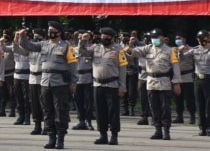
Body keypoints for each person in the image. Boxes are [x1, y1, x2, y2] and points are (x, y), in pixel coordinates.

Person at [18, 21, 78, 150]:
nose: (50, 32)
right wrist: (22, 36)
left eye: (53, 30)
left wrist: (73, 83)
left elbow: (73, 66)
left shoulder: (66, 47)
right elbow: (28, 46)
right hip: (45, 82)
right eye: (49, 29)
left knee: (60, 111)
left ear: (59, 32)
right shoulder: (43, 44)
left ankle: (60, 139)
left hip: (60, 83)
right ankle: (51, 138)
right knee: (47, 110)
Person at [124, 28, 182, 141]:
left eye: (156, 37)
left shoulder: (171, 51)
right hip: (151, 81)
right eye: (153, 38)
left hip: (164, 81)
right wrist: (129, 50)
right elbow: (135, 52)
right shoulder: (148, 48)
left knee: (165, 108)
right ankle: (157, 130)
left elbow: (176, 67)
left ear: (162, 38)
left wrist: (177, 83)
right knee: (154, 107)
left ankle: (166, 130)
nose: (154, 40)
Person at [78, 27, 128, 145]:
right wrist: (83, 41)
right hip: (97, 84)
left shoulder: (118, 50)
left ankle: (114, 135)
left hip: (112, 85)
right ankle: (103, 135)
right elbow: (83, 52)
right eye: (102, 36)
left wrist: (122, 87)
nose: (104, 38)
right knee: (100, 112)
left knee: (113, 112)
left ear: (112, 38)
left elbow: (123, 69)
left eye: (107, 37)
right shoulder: (96, 48)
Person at [179, 29, 210, 136]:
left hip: (209, 79)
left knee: (209, 106)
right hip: (198, 79)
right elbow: (183, 58)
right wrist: (180, 51)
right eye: (199, 39)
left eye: (203, 38)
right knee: (200, 105)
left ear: (207, 39)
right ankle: (202, 127)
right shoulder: (194, 50)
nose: (201, 40)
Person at [72, 31, 95, 132]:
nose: (82, 39)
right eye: (80, 37)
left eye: (85, 38)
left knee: (88, 102)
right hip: (77, 78)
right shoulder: (73, 49)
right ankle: (81, 121)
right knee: (78, 101)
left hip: (88, 77)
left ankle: (88, 121)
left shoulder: (92, 49)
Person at [173, 32, 196, 124]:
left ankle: (192, 116)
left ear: (184, 39)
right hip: (177, 76)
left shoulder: (191, 50)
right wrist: (179, 51)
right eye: (176, 38)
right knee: (177, 98)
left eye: (179, 38)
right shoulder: (173, 50)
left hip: (188, 76)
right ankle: (179, 116)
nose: (177, 40)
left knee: (189, 98)